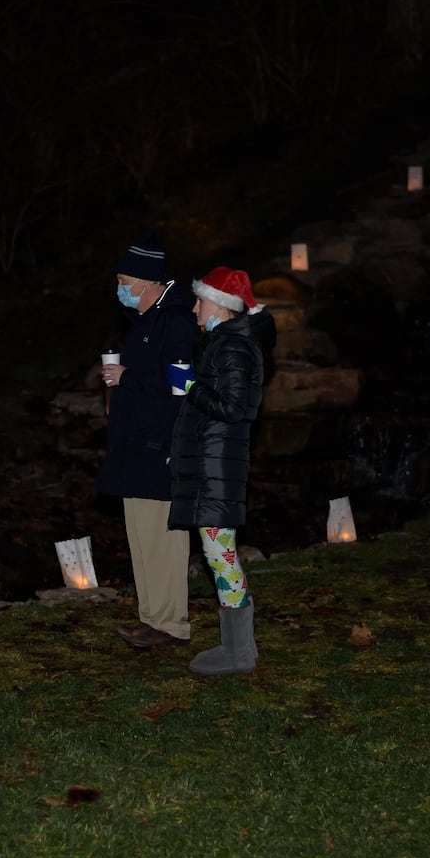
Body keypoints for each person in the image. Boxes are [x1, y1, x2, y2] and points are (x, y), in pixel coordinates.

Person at [97, 231, 200, 649]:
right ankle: (151, 618)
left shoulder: (174, 321)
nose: (121, 289)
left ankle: (172, 623)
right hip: (134, 443)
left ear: (147, 280)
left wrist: (128, 378)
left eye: (125, 280)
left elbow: (184, 385)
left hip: (160, 444)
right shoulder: (145, 320)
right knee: (141, 535)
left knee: (164, 537)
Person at [165, 266, 265, 675]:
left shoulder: (234, 349)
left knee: (220, 555)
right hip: (212, 464)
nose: (194, 308)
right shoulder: (224, 344)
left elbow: (234, 408)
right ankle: (238, 649)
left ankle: (239, 653)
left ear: (220, 306)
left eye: (199, 300)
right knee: (217, 552)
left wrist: (190, 386)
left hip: (219, 466)